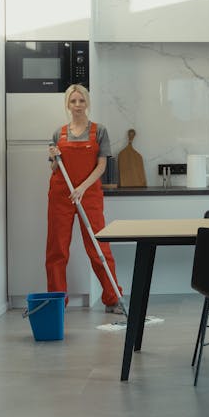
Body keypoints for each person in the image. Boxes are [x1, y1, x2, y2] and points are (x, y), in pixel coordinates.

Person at [46, 84, 124, 312]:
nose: (78, 105)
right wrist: (53, 157)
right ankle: (56, 301)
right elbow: (54, 168)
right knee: (57, 249)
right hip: (61, 195)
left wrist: (82, 187)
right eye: (73, 101)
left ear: (87, 103)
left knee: (99, 247)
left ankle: (113, 298)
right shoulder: (57, 134)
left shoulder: (99, 131)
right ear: (67, 105)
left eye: (81, 101)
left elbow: (101, 166)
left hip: (88, 195)